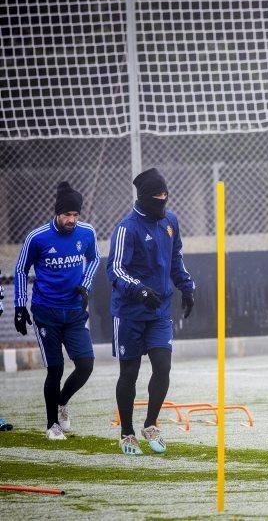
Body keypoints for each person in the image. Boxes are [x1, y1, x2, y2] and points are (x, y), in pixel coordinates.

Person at [107, 168, 195, 455]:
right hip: (130, 312)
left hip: (159, 312)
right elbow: (115, 269)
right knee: (129, 371)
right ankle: (127, 432)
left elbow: (176, 257)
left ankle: (151, 423)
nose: (163, 204)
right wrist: (140, 290)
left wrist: (186, 286)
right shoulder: (126, 228)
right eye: (157, 199)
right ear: (144, 198)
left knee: (163, 365)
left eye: (165, 198)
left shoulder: (170, 221)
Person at [13, 182, 101, 440]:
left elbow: (94, 258)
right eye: (67, 215)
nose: (72, 220)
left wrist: (85, 285)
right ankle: (52, 425)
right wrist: (20, 305)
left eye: (75, 215)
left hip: (74, 311)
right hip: (46, 312)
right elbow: (20, 269)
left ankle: (62, 402)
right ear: (57, 213)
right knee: (55, 368)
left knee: (86, 365)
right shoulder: (37, 237)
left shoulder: (86, 232)